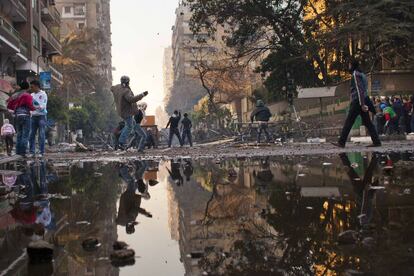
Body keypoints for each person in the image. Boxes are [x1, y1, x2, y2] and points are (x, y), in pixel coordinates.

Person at [333, 60, 381, 148]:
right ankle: (377, 141)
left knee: (349, 121)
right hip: (363, 100)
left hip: (358, 101)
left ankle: (341, 142)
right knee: (368, 122)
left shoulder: (355, 74)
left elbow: (359, 90)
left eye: (349, 65)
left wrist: (362, 104)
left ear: (352, 65)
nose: (348, 67)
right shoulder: (362, 74)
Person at [111, 76, 148, 150]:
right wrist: (142, 95)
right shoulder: (126, 91)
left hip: (120, 111)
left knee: (133, 124)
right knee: (129, 126)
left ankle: (141, 136)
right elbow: (131, 99)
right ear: (127, 82)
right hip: (127, 112)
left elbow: (111, 88)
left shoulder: (117, 87)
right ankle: (121, 142)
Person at [7, 81, 34, 157]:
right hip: (25, 115)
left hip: (17, 116)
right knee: (25, 134)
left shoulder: (14, 95)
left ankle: (18, 152)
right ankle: (23, 152)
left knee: (19, 134)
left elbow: (9, 105)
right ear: (27, 87)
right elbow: (30, 106)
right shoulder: (27, 95)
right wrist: (35, 108)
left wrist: (15, 110)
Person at [29, 80, 48, 157]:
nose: (31, 88)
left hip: (41, 116)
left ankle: (41, 152)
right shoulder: (31, 95)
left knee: (41, 134)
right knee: (31, 134)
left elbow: (43, 105)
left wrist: (36, 106)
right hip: (33, 116)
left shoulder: (43, 94)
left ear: (36, 86)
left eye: (32, 86)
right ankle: (32, 152)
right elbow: (30, 105)